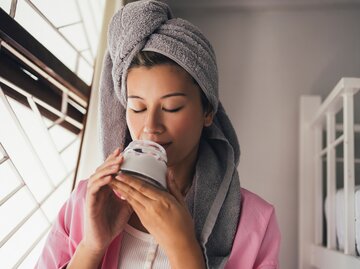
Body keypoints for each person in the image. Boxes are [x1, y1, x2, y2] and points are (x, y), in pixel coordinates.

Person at [35, 1, 281, 268]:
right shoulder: (86, 202)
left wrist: (183, 247)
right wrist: (92, 247)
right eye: (137, 107)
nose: (150, 126)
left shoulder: (255, 221)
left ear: (207, 111)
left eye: (172, 107)